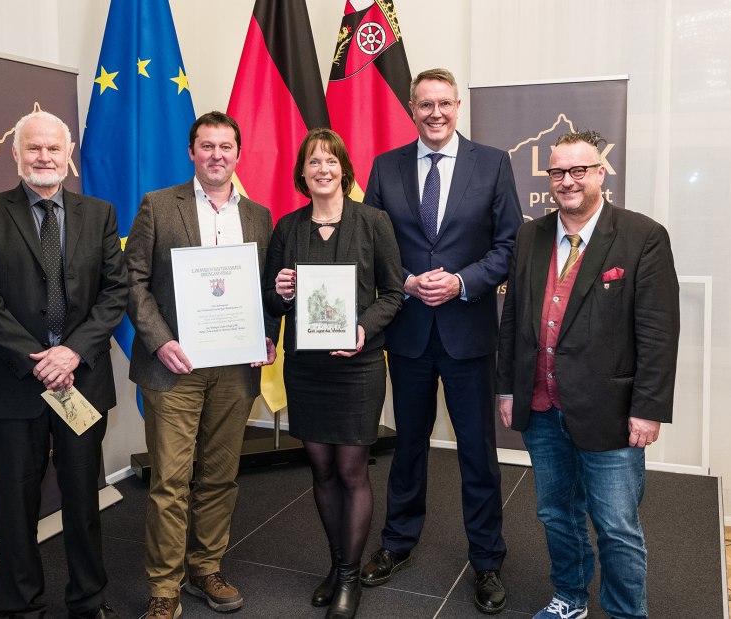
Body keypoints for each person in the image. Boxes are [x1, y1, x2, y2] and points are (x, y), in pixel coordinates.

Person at [497, 129, 680, 619]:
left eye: (579, 170)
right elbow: (514, 317)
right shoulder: (530, 235)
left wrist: (648, 409)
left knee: (617, 527)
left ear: (601, 173)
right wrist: (508, 388)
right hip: (540, 406)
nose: (567, 181)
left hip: (612, 412)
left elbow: (659, 334)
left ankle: (625, 613)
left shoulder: (643, 236)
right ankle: (570, 599)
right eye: (558, 172)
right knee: (557, 515)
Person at [363, 67, 523, 614]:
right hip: (407, 331)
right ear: (412, 109)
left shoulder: (492, 163)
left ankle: (487, 560)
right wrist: (404, 280)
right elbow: (374, 241)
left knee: (477, 452)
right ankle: (397, 543)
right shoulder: (385, 167)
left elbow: (508, 245)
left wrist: (460, 281)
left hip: (468, 330)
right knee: (407, 446)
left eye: (444, 104)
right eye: (425, 104)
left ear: (458, 107)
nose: (435, 113)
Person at [0, 111, 127, 619]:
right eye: (33, 148)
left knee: (83, 500)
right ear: (15, 154)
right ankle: (19, 607)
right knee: (16, 504)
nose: (44, 158)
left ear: (69, 152)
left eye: (54, 148)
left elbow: (115, 291)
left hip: (82, 379)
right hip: (15, 382)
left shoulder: (98, 214)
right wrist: (39, 361)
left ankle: (87, 600)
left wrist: (71, 352)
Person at [124, 111, 277, 619]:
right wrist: (160, 341)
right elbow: (134, 283)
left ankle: (205, 567)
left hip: (234, 368)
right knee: (169, 481)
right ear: (192, 152)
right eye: (206, 146)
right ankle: (164, 589)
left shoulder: (259, 216)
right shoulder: (157, 205)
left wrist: (267, 336)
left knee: (219, 475)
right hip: (175, 367)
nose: (216, 155)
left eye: (225, 147)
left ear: (238, 154)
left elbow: (265, 292)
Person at [264, 128, 403, 619]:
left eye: (331, 161)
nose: (322, 169)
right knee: (320, 469)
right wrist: (280, 292)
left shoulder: (373, 222)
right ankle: (336, 562)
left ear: (344, 169)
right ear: (301, 173)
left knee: (350, 469)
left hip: (357, 367)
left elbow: (394, 292)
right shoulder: (288, 227)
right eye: (313, 161)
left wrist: (363, 328)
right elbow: (272, 302)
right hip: (306, 368)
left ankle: (349, 576)